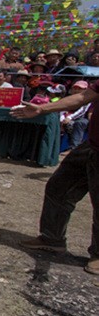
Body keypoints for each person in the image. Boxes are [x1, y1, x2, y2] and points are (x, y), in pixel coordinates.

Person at [12, 80, 99, 274]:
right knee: (59, 187)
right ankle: (52, 238)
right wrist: (42, 108)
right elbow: (82, 97)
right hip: (92, 144)